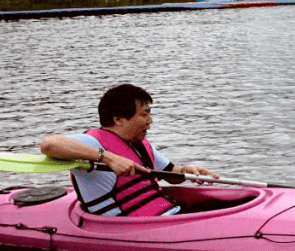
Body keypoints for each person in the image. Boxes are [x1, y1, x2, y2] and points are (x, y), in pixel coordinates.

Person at [39, 84, 218, 216]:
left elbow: (170, 173)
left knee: (215, 204)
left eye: (149, 114)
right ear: (118, 119)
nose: (150, 121)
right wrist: (108, 158)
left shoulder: (139, 145)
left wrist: (188, 171)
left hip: (167, 212)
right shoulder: (93, 142)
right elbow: (49, 145)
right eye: (144, 114)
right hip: (129, 223)